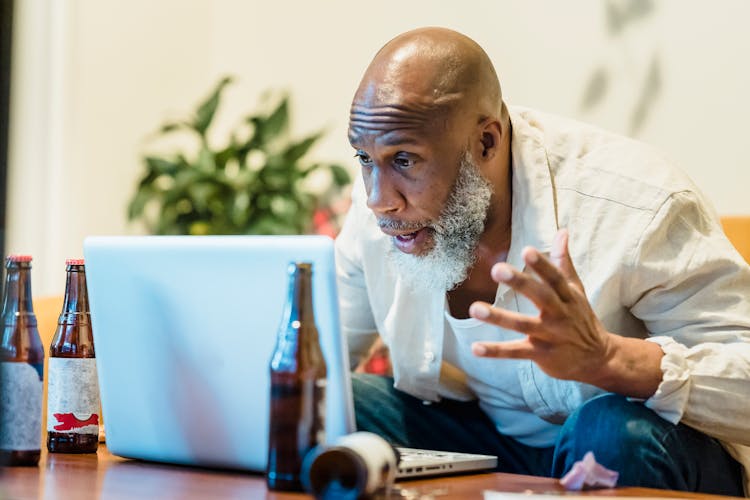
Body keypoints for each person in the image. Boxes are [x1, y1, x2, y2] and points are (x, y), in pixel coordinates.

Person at [334, 27, 750, 495]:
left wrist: (611, 359)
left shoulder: (636, 205)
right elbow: (326, 355)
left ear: (486, 143)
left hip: (637, 450)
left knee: (610, 431)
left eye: (405, 159)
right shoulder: (382, 207)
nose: (377, 199)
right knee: (333, 403)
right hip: (490, 440)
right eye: (364, 158)